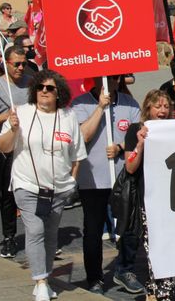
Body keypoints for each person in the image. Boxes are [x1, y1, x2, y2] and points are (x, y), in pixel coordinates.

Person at [0, 70, 85, 301]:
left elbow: (77, 155)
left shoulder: (68, 116)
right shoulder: (21, 113)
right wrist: (13, 129)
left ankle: (43, 276)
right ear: (34, 90)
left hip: (59, 188)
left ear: (59, 93)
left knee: (50, 234)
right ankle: (41, 281)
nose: (44, 91)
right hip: (26, 183)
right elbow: (3, 147)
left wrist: (72, 181)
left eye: (50, 88)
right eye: (40, 87)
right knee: (35, 230)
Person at [72, 74, 142, 295]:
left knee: (129, 229)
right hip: (92, 180)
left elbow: (137, 136)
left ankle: (124, 270)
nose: (111, 82)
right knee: (93, 231)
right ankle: (95, 278)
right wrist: (100, 108)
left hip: (123, 177)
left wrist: (120, 147)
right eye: (107, 78)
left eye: (115, 78)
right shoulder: (80, 103)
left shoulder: (130, 104)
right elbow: (82, 136)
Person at [123, 90, 174, 301]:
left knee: (168, 246)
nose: (162, 111)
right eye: (157, 106)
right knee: (154, 247)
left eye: (166, 106)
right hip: (148, 199)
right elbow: (130, 166)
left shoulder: (174, 130)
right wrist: (140, 144)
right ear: (148, 108)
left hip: (172, 199)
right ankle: (162, 292)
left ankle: (155, 290)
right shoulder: (135, 130)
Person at [0, 45, 33, 260]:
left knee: (34, 191)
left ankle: (39, 236)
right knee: (8, 195)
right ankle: (9, 237)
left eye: (24, 64)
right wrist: (6, 116)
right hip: (6, 146)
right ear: (6, 64)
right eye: (16, 64)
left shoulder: (32, 83)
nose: (20, 68)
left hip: (30, 145)